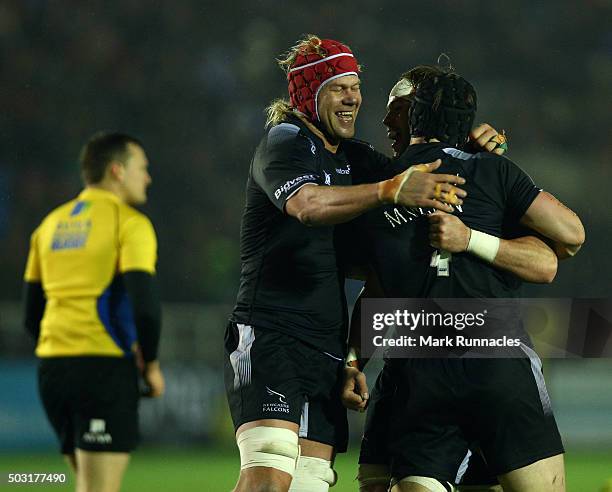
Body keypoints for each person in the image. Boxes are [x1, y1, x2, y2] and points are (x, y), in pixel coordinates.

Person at [224, 35, 470, 492]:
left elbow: (420, 173)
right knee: (269, 473)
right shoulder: (284, 142)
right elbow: (307, 205)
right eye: (339, 86)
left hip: (327, 347)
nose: (354, 97)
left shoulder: (354, 158)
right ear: (308, 94)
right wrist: (387, 191)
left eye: (356, 86)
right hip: (273, 336)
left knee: (311, 481)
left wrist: (470, 145)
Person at [340, 66, 584, 492]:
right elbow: (565, 242)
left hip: (421, 369)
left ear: (414, 115)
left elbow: (375, 286)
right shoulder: (492, 172)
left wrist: (353, 361)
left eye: (396, 108)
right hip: (495, 361)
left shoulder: (377, 187)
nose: (385, 120)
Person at [23, 132, 165, 492]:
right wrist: (149, 363)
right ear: (117, 171)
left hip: (52, 371)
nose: (147, 177)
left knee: (86, 485)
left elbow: (31, 315)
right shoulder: (130, 224)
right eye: (142, 168)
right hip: (102, 368)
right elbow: (144, 305)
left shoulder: (49, 226)